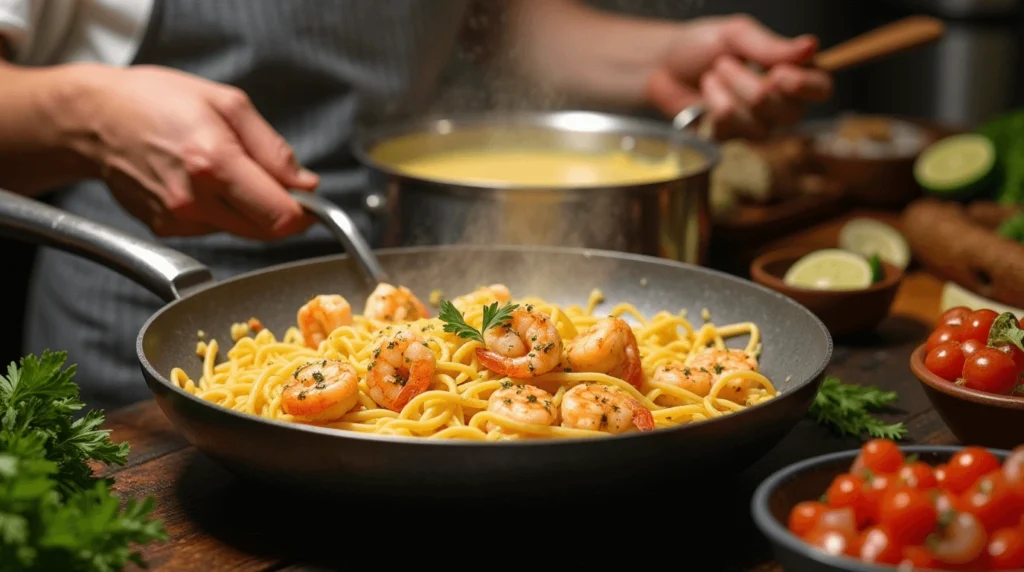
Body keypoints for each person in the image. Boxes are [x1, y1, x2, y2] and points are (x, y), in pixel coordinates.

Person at [0, 0, 831, 411]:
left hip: (398, 255)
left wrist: (662, 58)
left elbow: (488, 21)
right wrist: (91, 114)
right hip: (144, 335)